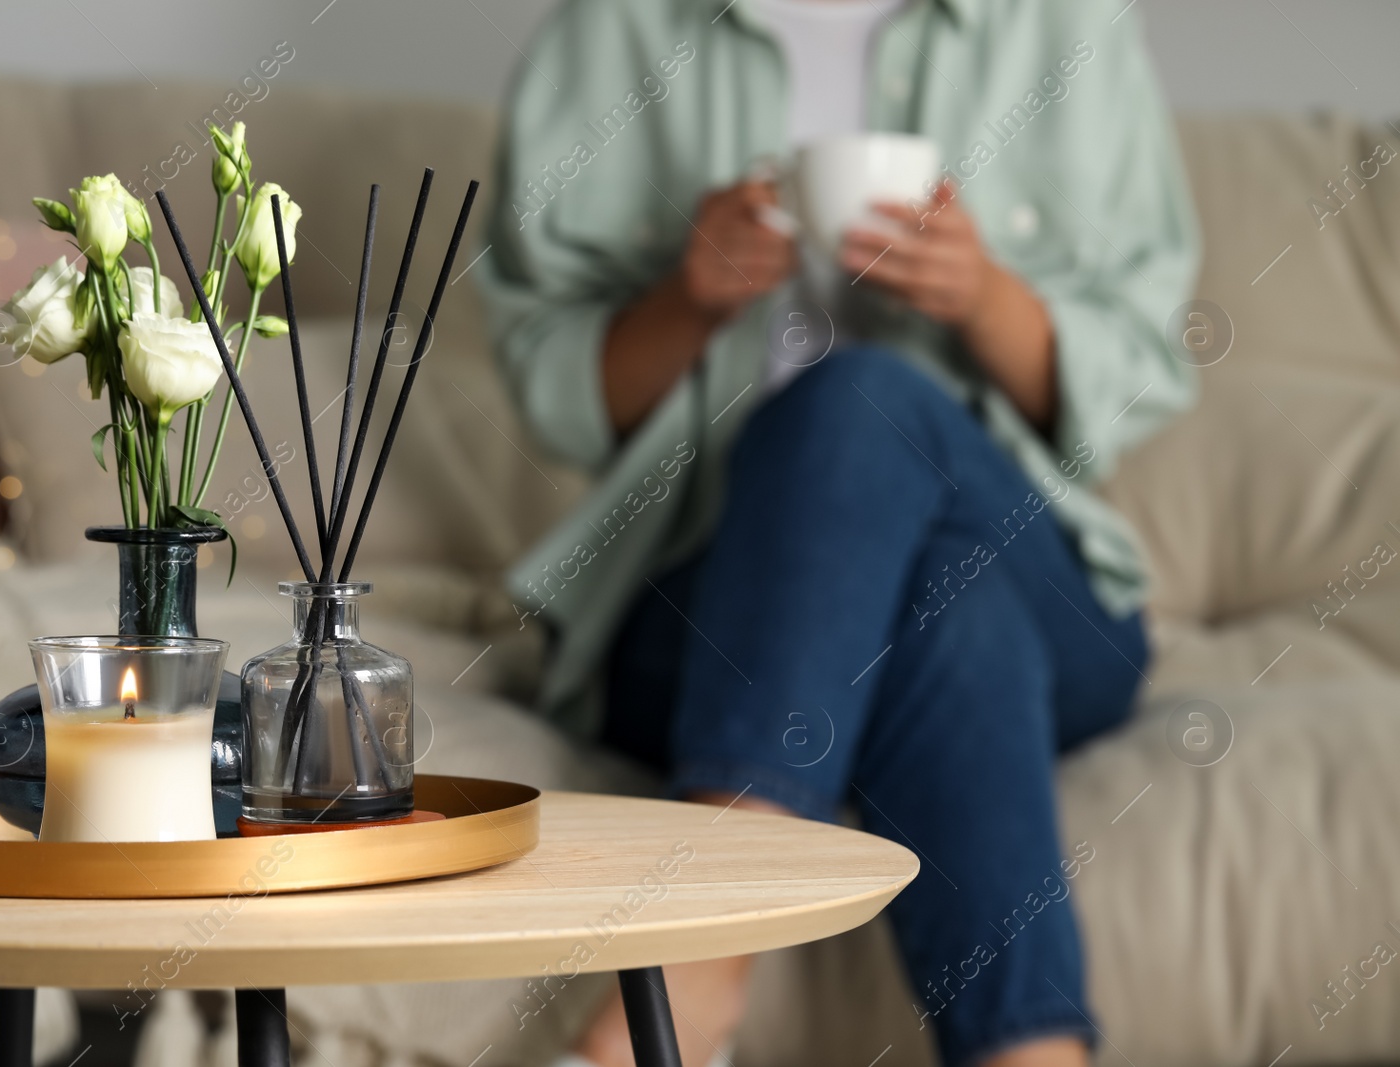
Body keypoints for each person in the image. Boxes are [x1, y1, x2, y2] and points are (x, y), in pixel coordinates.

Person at [477, 0, 1199, 1064]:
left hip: (1054, 596)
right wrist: (687, 298)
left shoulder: (1065, 22)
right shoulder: (616, 23)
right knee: (951, 607)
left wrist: (987, 297)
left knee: (859, 400)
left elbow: (1144, 366)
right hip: (703, 606)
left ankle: (689, 981)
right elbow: (557, 391)